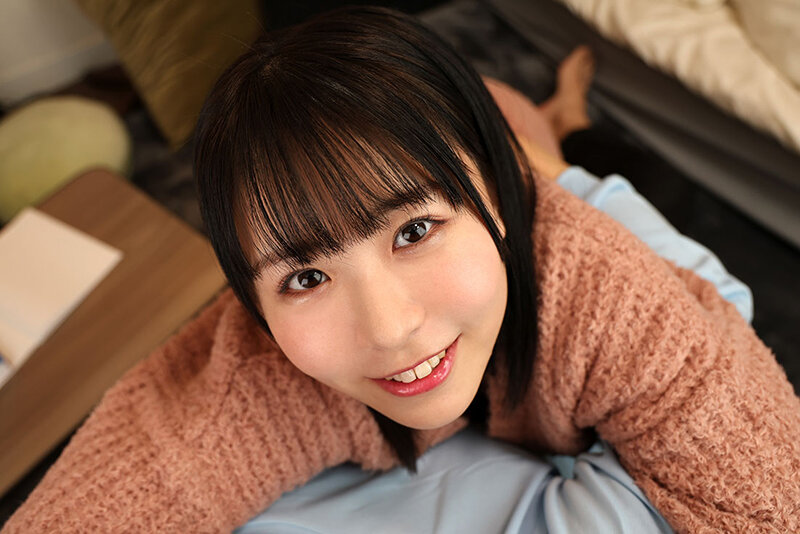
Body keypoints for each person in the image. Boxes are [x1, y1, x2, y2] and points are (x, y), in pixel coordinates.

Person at [3, 6, 798, 534]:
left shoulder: (611, 298)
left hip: (529, 173)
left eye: (415, 230)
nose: (388, 330)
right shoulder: (255, 367)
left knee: (586, 165)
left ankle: (555, 129)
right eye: (305, 278)